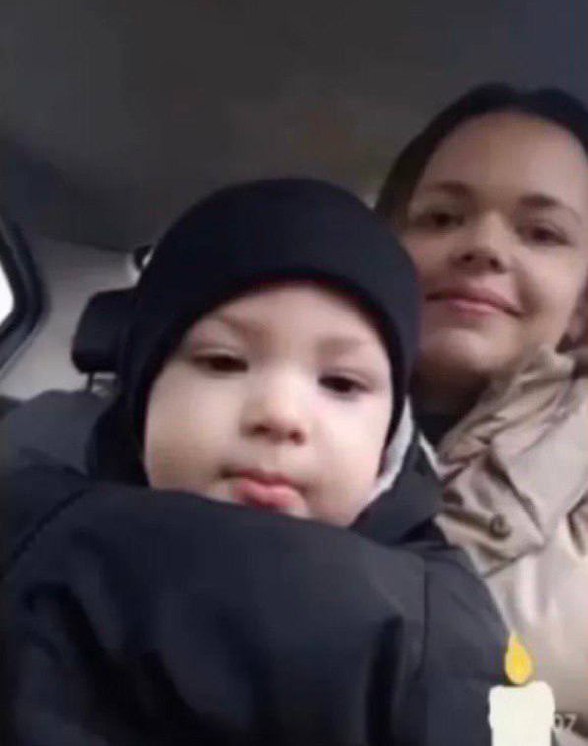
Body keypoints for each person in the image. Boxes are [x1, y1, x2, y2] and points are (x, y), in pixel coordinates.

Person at [6, 178, 508, 745]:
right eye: (223, 362)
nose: (280, 414)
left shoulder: (438, 624)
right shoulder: (34, 504)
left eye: (341, 383)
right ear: (144, 393)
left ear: (390, 440)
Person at [375, 84, 588, 745]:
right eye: (441, 218)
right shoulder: (260, 417)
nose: (484, 247)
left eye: (542, 233)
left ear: (582, 306)